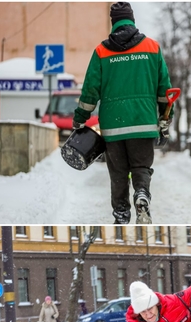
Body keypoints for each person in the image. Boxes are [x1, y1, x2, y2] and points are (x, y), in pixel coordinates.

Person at [73, 2, 173, 225]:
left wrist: (80, 117)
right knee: (141, 167)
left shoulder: (101, 51)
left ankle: (121, 213)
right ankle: (142, 193)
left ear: (113, 22)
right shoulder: (152, 47)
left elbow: (90, 89)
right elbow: (165, 90)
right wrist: (166, 116)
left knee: (118, 173)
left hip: (113, 126)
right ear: (132, 20)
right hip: (143, 123)